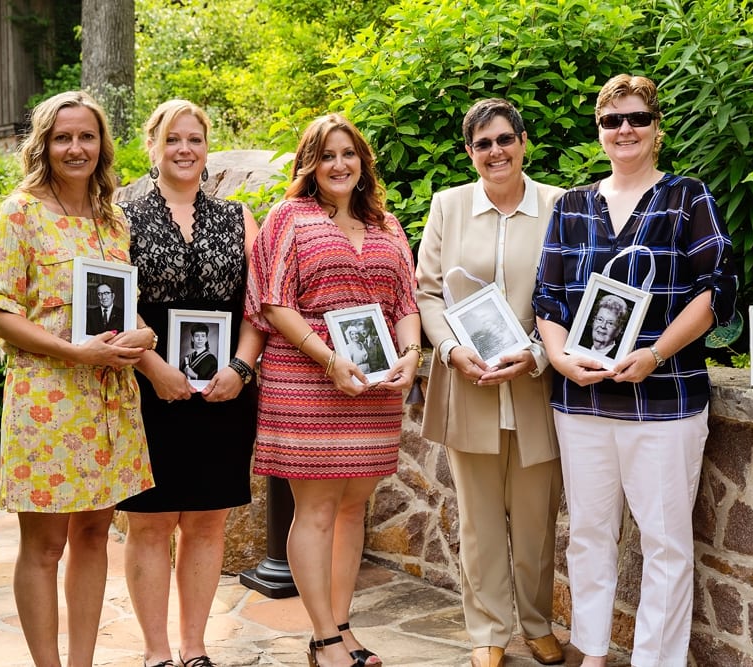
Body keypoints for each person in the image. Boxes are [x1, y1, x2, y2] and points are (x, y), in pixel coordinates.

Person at [534, 74, 738, 667]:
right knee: (590, 536)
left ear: (656, 127)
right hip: (582, 405)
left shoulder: (687, 198)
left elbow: (715, 292)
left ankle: (655, 661)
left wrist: (654, 354)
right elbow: (548, 299)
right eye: (611, 120)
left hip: (665, 402)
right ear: (599, 131)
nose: (625, 130)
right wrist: (558, 357)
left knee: (665, 544)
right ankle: (592, 653)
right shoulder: (571, 206)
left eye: (637, 119)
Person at [0, 90, 156, 667]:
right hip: (48, 401)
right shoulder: (21, 211)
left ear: (101, 145)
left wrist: (143, 335)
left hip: (109, 401)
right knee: (46, 544)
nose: (75, 148)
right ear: (44, 145)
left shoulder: (113, 217)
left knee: (93, 536)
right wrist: (71, 353)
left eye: (86, 136)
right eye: (62, 137)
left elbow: (117, 304)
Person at [245, 113, 422, 667]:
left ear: (362, 161)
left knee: (352, 510)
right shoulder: (288, 218)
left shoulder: (389, 226)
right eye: (326, 156)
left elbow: (407, 305)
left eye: (348, 153)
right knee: (316, 511)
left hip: (373, 387)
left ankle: (343, 629)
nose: (339, 164)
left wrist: (412, 355)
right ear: (310, 165)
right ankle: (322, 639)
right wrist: (328, 359)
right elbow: (273, 303)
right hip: (307, 381)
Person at [415, 98, 565, 667]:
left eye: (505, 139)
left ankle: (536, 622)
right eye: (483, 144)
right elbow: (427, 290)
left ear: (523, 142)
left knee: (535, 520)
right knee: (477, 521)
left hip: (535, 384)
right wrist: (450, 351)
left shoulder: (560, 206)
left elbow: (572, 292)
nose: (495, 151)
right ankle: (488, 631)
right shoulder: (448, 207)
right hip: (468, 383)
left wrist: (535, 356)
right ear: (471, 153)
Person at [115, 99, 263, 667]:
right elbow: (113, 300)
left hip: (223, 392)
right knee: (150, 523)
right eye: (173, 139)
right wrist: (152, 368)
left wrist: (242, 369)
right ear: (153, 145)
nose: (185, 149)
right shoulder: (122, 215)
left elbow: (258, 306)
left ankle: (195, 648)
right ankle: (156, 652)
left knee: (207, 519)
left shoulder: (237, 217)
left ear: (207, 147)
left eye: (195, 139)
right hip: (149, 389)